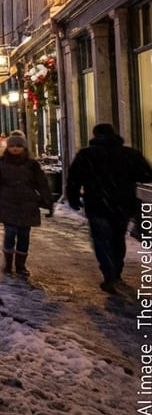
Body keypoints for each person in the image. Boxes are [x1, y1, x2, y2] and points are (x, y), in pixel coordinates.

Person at [65, 123, 152, 293]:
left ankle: (108, 272)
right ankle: (116, 271)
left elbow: (74, 179)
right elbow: (147, 174)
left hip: (96, 203)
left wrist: (73, 198)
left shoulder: (87, 155)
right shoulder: (129, 154)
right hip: (122, 204)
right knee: (117, 238)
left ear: (95, 135)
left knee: (101, 239)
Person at [0, 134, 52, 279]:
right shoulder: (0, 163)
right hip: (7, 202)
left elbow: (42, 184)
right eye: (12, 146)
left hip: (27, 204)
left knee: (24, 235)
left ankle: (21, 266)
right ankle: (8, 264)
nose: (15, 149)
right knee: (10, 232)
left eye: (18, 146)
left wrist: (47, 201)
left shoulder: (31, 164)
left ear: (24, 148)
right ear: (7, 148)